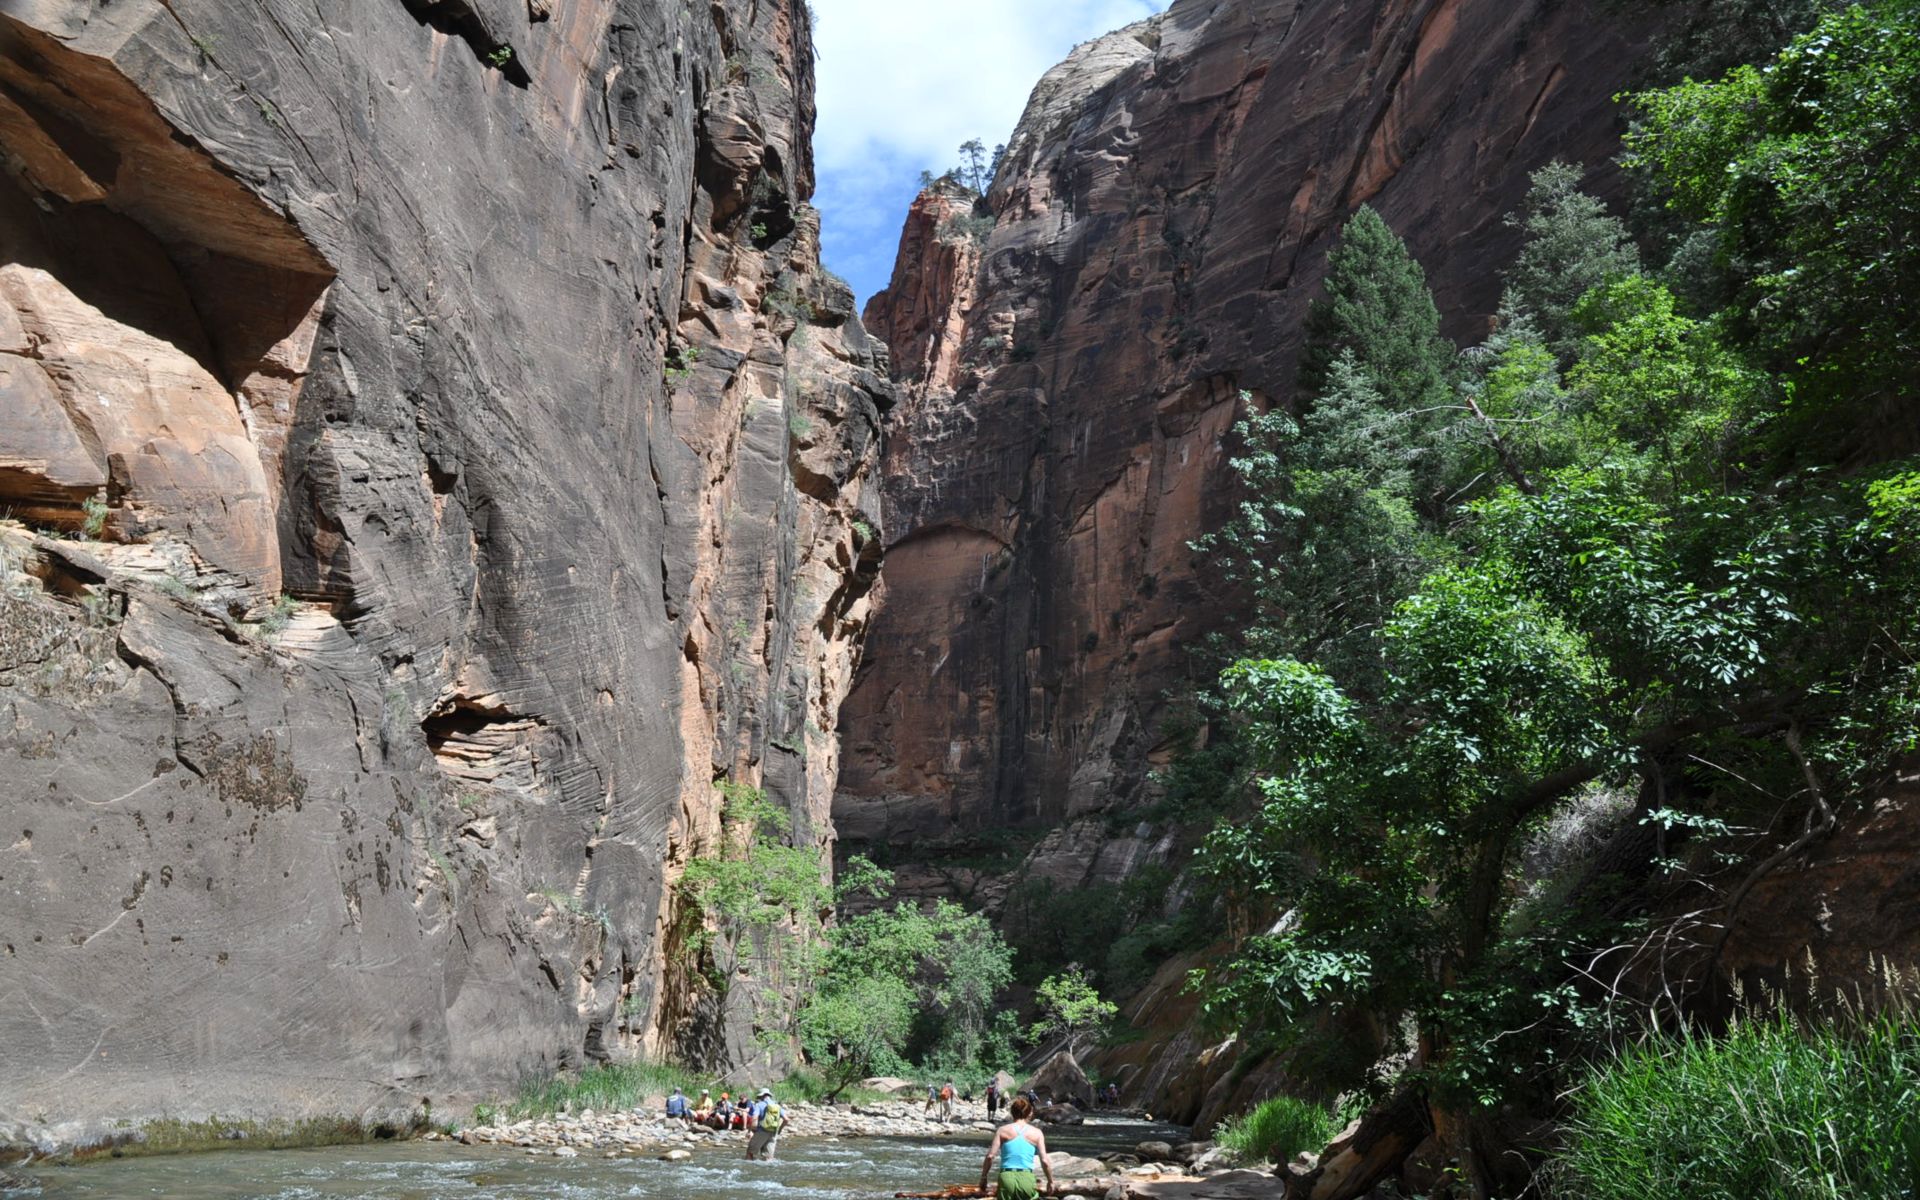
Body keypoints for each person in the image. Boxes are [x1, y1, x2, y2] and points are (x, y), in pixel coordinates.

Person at [979, 1097, 1052, 1200]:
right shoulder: (1037, 1133)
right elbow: (1044, 1161)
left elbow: (990, 1156)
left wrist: (984, 1177)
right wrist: (1050, 1181)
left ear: (1012, 1112)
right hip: (1027, 1177)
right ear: (1029, 1114)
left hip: (1006, 1177)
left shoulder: (1002, 1130)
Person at [746, 1088, 784, 1161]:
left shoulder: (759, 1105)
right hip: (773, 1133)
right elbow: (786, 1119)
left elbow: (754, 1118)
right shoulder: (777, 1106)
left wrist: (749, 1131)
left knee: (750, 1152)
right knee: (768, 1158)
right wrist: (779, 1130)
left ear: (761, 1096)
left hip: (762, 1132)